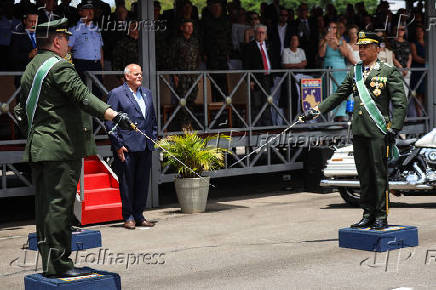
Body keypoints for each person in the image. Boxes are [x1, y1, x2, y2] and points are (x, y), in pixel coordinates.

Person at [14, 18, 132, 278]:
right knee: (60, 207)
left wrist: (39, 133)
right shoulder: (59, 68)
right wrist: (112, 114)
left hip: (40, 147)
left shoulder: (32, 66)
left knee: (45, 207)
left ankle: (49, 263)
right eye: (66, 38)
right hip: (59, 149)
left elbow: (20, 110)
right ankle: (60, 265)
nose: (69, 43)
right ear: (56, 41)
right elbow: (83, 96)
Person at [301, 32, 407, 230]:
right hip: (359, 131)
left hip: (378, 131)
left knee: (378, 176)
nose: (362, 50)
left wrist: (395, 127)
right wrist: (316, 110)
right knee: (364, 176)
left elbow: (400, 103)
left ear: (377, 49)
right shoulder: (354, 72)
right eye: (360, 46)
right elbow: (338, 96)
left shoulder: (388, 71)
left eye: (366, 46)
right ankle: (367, 214)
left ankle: (381, 216)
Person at [105, 64, 157, 230]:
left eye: (141, 74)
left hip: (145, 146)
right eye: (136, 74)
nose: (140, 76)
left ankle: (139, 215)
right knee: (127, 183)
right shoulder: (116, 94)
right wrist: (118, 145)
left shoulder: (147, 93)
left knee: (142, 183)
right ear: (127, 76)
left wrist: (153, 139)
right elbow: (109, 121)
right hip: (126, 147)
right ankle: (128, 217)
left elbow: (152, 120)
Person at [170, 19, 200, 130]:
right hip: (181, 76)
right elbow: (172, 59)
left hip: (192, 76)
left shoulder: (194, 41)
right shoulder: (177, 41)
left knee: (192, 100)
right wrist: (175, 75)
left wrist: (197, 74)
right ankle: (183, 125)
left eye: (191, 26)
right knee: (182, 100)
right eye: (187, 26)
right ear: (182, 28)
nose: (190, 29)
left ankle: (190, 124)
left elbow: (198, 58)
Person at [318, 21, 351, 121]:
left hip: (340, 70)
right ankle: (329, 116)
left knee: (340, 92)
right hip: (328, 70)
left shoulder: (342, 41)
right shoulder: (323, 40)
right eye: (330, 27)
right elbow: (321, 55)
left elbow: (345, 54)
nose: (332, 30)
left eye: (334, 27)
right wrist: (324, 41)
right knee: (328, 93)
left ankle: (340, 115)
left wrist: (338, 43)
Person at [242, 24, 273, 127]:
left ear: (266, 35)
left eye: (262, 33)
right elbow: (246, 65)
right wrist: (250, 80)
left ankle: (267, 126)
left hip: (268, 78)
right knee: (256, 104)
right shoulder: (249, 46)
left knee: (267, 102)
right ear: (254, 33)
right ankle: (257, 127)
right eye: (258, 32)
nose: (260, 35)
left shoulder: (269, 45)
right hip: (256, 79)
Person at [68, 0, 104, 81]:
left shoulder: (96, 28)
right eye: (87, 9)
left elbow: (100, 49)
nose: (90, 12)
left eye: (92, 9)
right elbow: (67, 49)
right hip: (81, 65)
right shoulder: (74, 29)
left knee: (97, 92)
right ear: (80, 12)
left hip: (96, 65)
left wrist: (102, 68)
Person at [9, 7, 38, 86]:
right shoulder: (17, 36)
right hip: (23, 75)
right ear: (24, 21)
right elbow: (13, 57)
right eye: (30, 21)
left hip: (39, 76)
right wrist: (29, 55)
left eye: (35, 21)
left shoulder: (42, 35)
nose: (33, 24)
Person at [280, 35, 307, 119]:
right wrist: (298, 65)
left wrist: (292, 65)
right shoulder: (285, 51)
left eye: (295, 40)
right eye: (292, 40)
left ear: (298, 42)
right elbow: (285, 65)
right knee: (290, 95)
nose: (293, 42)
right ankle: (289, 118)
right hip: (289, 76)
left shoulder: (301, 51)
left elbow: (305, 63)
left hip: (300, 76)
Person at [410, 25, 426, 117]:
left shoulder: (428, 43)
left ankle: (426, 114)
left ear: (424, 32)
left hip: (427, 71)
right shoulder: (414, 44)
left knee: (426, 94)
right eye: (417, 31)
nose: (419, 33)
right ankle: (419, 116)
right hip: (418, 71)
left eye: (420, 31)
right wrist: (427, 61)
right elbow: (415, 57)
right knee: (418, 94)